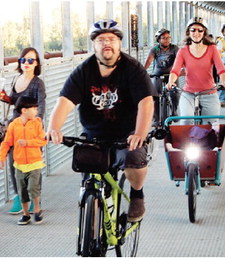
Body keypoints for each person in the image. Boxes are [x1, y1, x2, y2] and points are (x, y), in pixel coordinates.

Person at [47, 19, 154, 222]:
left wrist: (140, 133)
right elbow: (65, 102)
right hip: (94, 134)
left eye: (112, 39)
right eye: (101, 39)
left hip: (127, 133)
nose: (107, 43)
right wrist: (54, 128)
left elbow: (146, 103)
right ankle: (92, 221)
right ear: (94, 45)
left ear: (119, 44)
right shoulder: (83, 71)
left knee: (135, 159)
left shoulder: (133, 68)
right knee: (88, 175)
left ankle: (137, 194)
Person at [0, 47, 46, 214]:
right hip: (14, 127)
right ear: (19, 62)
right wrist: (3, 97)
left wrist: (36, 125)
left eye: (31, 60)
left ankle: (34, 197)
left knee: (33, 165)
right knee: (14, 163)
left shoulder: (38, 83)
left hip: (31, 129)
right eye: (24, 60)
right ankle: (19, 196)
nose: (27, 63)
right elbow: (15, 101)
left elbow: (41, 106)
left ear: (36, 63)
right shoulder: (16, 79)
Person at [166, 17, 225, 125]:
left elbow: (220, 68)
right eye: (193, 30)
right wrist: (171, 81)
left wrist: (224, 81)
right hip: (188, 93)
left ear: (204, 32)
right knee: (186, 121)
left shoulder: (212, 49)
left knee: (211, 125)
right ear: (188, 32)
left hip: (209, 92)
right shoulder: (183, 51)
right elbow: (175, 70)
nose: (196, 33)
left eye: (200, 30)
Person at [0, 96, 47, 225]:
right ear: (24, 110)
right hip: (19, 164)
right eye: (34, 109)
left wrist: (27, 143)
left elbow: (43, 140)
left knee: (33, 187)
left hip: (34, 162)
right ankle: (26, 215)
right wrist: (2, 158)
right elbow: (7, 142)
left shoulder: (37, 123)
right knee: (22, 190)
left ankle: (37, 209)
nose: (36, 111)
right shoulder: (14, 125)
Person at [144, 28, 180, 123]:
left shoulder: (174, 48)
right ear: (159, 40)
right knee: (154, 95)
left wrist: (182, 70)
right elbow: (149, 61)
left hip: (172, 74)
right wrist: (143, 71)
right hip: (157, 74)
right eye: (163, 38)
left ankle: (174, 111)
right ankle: (156, 119)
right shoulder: (155, 49)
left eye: (168, 38)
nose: (167, 40)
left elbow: (179, 60)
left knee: (174, 93)